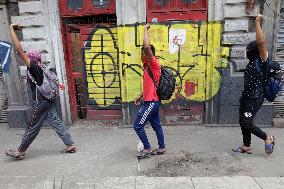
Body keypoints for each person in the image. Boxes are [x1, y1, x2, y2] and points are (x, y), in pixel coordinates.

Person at [5, 22, 76, 160]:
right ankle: (70, 144)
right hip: (48, 99)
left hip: (41, 102)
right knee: (55, 120)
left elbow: (18, 49)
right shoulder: (41, 66)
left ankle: (20, 151)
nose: (26, 58)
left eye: (28, 57)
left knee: (32, 126)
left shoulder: (34, 68)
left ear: (31, 59)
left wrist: (11, 29)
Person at [233, 14, 276, 155]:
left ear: (254, 52)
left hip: (255, 98)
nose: (246, 53)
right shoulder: (252, 63)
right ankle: (246, 146)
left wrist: (258, 22)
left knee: (247, 122)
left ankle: (267, 138)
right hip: (246, 97)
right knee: (242, 121)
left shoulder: (262, 61)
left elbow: (261, 42)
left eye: (248, 51)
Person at [134, 24, 166, 159]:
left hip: (151, 103)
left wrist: (144, 30)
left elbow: (147, 47)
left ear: (148, 55)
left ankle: (147, 148)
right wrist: (140, 96)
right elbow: (149, 85)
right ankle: (162, 147)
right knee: (156, 125)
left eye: (143, 54)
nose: (141, 57)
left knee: (137, 125)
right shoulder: (147, 67)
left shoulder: (154, 64)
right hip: (150, 101)